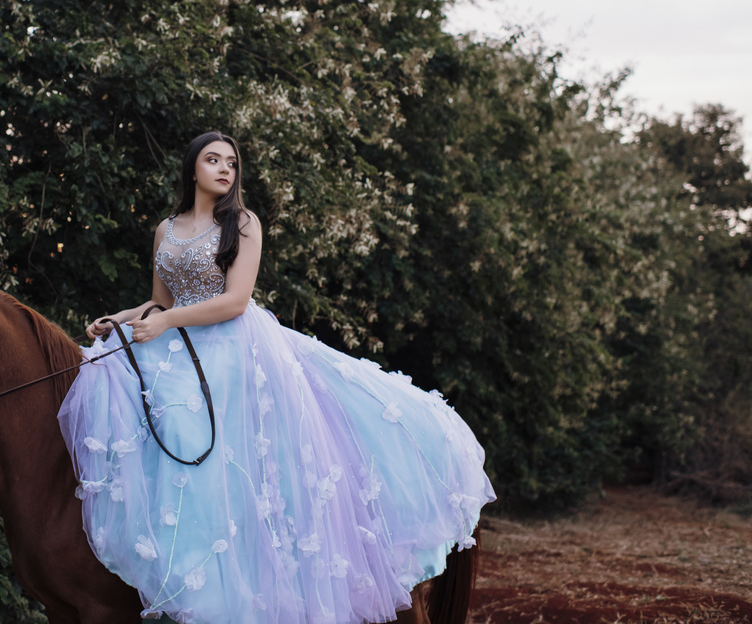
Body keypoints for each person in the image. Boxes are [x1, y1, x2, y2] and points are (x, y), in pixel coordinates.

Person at [57, 132, 495, 623]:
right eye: (213, 159)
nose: (225, 169)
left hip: (232, 346)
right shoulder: (166, 229)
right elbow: (159, 301)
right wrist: (119, 318)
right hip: (177, 341)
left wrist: (165, 322)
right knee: (128, 400)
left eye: (232, 162)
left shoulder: (242, 223)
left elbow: (235, 301)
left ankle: (233, 577)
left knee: (194, 431)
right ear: (192, 169)